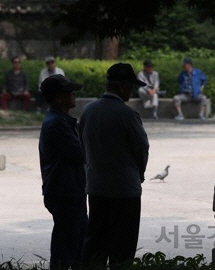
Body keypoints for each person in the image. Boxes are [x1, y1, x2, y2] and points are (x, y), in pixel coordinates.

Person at [79, 63, 149, 269]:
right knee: (123, 247)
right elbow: (142, 149)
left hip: (97, 186)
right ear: (122, 87)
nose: (131, 92)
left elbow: (82, 145)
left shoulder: (88, 111)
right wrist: (139, 174)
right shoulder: (128, 115)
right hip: (125, 189)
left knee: (96, 242)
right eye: (130, 87)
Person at [38, 75, 87, 270]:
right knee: (68, 243)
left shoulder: (60, 120)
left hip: (67, 189)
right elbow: (79, 154)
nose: (74, 96)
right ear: (58, 98)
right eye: (70, 93)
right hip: (65, 191)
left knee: (73, 240)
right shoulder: (58, 124)